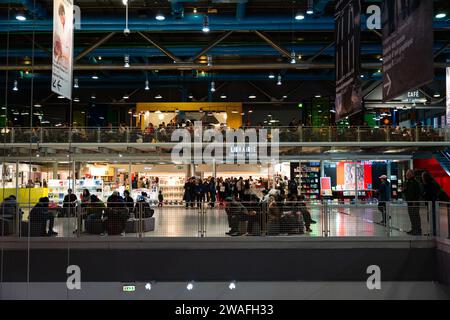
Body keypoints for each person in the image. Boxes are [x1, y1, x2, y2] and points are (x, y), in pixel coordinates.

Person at [421, 172, 443, 236]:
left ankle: (434, 232)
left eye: (422, 177)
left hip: (432, 205)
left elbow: (430, 194)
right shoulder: (428, 185)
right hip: (430, 204)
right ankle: (432, 232)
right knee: (430, 218)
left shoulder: (431, 185)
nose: (422, 179)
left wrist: (424, 195)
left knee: (432, 219)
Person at [403, 170, 422, 235]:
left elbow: (418, 192)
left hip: (414, 202)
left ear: (411, 174)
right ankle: (414, 229)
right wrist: (404, 190)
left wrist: (415, 201)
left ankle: (418, 230)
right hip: (409, 202)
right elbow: (407, 191)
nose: (406, 175)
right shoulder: (408, 182)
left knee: (415, 216)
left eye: (408, 174)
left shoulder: (415, 182)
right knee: (411, 216)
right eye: (406, 174)